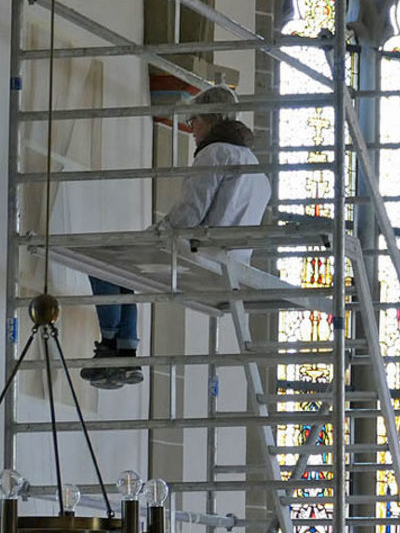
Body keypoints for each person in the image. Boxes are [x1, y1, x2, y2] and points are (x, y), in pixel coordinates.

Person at [81, 86, 272, 389]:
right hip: (232, 265)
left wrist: (154, 234)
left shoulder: (215, 152)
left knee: (97, 256)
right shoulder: (258, 171)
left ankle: (111, 346)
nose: (191, 128)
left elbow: (189, 214)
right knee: (123, 267)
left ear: (209, 119)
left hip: (200, 254)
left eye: (194, 120)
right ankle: (126, 350)